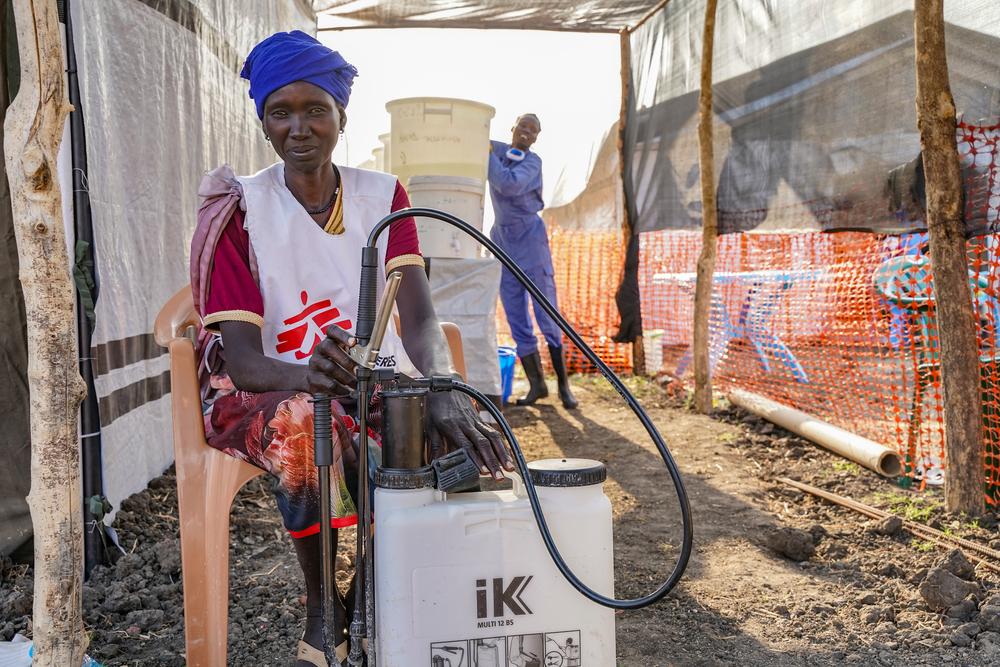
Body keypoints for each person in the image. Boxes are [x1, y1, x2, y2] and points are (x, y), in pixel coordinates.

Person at [190, 31, 513, 667]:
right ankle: (322, 608)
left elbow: (420, 319)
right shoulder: (240, 209)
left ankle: (371, 583)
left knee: (422, 421)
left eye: (316, 110)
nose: (299, 128)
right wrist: (309, 375)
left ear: (342, 117)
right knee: (302, 427)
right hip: (263, 390)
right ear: (264, 121)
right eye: (281, 113)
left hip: (367, 378)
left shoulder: (382, 196)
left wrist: (444, 388)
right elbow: (246, 363)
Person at [488, 114, 578, 409]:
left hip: (530, 238)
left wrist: (486, 156)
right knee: (515, 315)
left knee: (545, 311)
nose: (526, 132)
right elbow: (476, 143)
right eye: (522, 126)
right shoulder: (497, 149)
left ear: (536, 137)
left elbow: (507, 184)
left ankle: (564, 386)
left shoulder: (531, 162)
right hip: (503, 240)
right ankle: (537, 385)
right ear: (512, 129)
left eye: (532, 130)